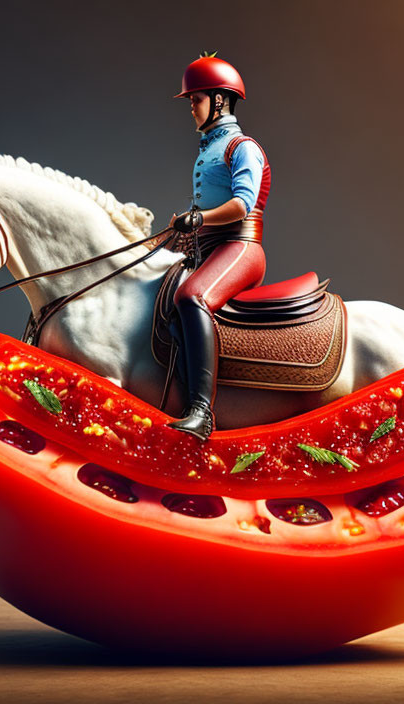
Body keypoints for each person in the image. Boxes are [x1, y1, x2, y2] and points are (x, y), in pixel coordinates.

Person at [167, 54, 271, 440]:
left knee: (192, 296)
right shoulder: (209, 147)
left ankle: (202, 412)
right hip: (209, 246)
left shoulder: (242, 147)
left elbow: (242, 205)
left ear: (220, 101)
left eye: (196, 99)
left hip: (239, 246)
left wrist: (198, 218)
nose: (191, 108)